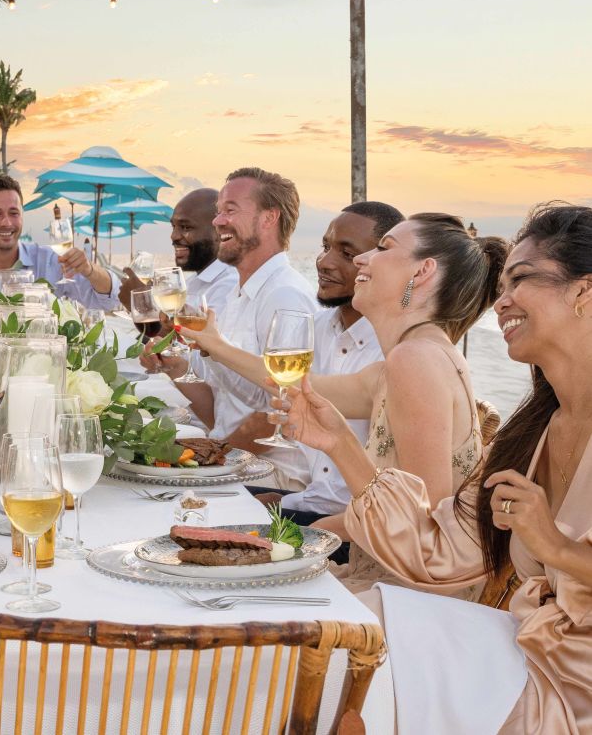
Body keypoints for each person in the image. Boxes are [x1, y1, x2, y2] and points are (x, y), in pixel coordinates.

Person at [272, 203, 592, 734]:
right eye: (503, 285)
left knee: (342, 652)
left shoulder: (420, 359)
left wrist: (557, 549)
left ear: (584, 291)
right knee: (326, 636)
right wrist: (339, 444)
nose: (501, 302)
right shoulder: (530, 433)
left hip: (572, 687)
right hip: (522, 647)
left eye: (521, 279)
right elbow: (439, 557)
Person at [184, 211, 509, 593]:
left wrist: (313, 530)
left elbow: (424, 521)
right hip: (386, 566)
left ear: (422, 272)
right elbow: (296, 384)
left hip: (403, 591)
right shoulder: (408, 359)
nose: (363, 260)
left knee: (202, 574)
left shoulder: (415, 360)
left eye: (384, 248)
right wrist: (215, 345)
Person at [247, 203, 403, 564]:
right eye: (325, 246)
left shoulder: (393, 351)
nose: (324, 262)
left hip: (355, 532)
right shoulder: (316, 328)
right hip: (310, 501)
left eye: (347, 253)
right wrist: (285, 500)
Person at [143, 168, 316, 485]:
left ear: (269, 218)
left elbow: (286, 406)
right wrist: (175, 367)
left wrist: (213, 461)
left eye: (230, 210)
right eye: (218, 211)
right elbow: (221, 408)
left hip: (273, 473)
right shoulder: (239, 294)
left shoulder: (284, 296)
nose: (217, 221)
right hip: (238, 461)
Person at [0, 175, 122, 310]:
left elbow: (109, 301)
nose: (7, 222)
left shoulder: (51, 261)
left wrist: (90, 270)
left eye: (14, 213)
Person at [119, 188, 237, 316]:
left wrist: (142, 303)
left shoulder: (230, 284)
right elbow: (174, 324)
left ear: (218, 231)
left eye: (186, 227)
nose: (173, 236)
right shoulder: (192, 282)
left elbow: (204, 330)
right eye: (174, 226)